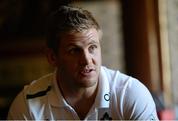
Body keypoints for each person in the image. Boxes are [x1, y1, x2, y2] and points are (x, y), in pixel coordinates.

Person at [7, 5, 159, 120]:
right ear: (53, 57)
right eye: (74, 50)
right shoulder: (28, 105)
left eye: (92, 48)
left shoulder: (130, 94)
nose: (87, 60)